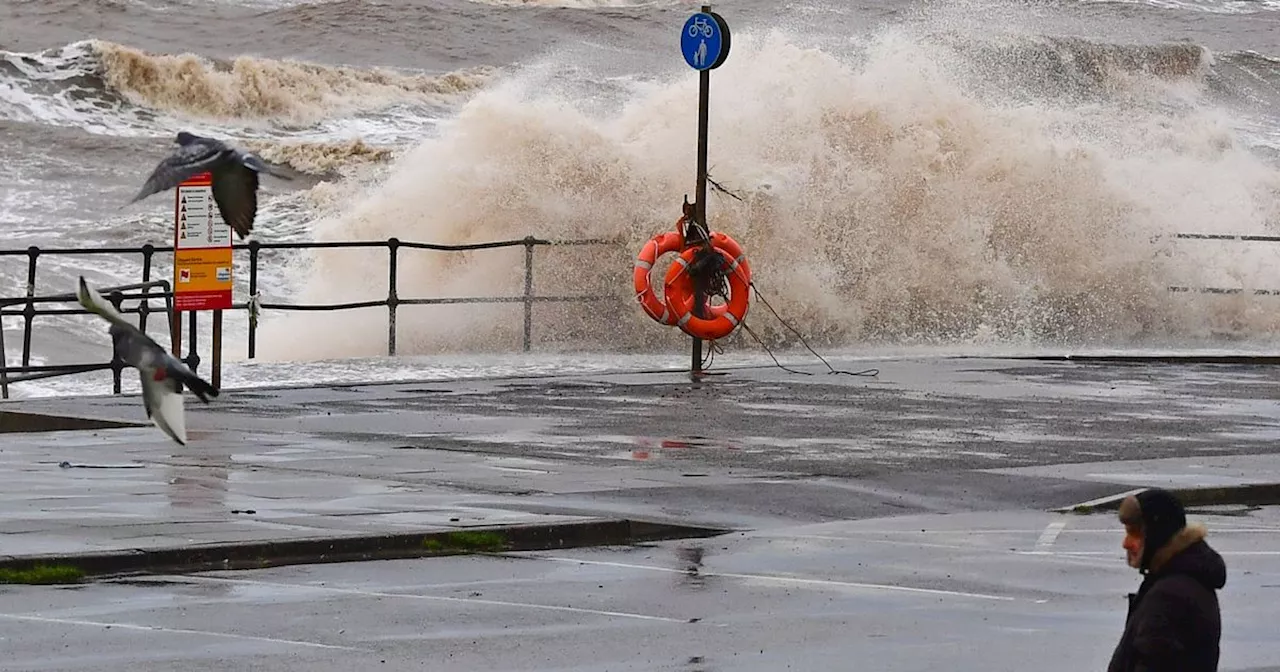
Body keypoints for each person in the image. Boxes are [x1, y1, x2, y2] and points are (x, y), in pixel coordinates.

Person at [1107, 487, 1228, 672]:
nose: (1126, 543)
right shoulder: (1179, 580)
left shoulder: (1170, 596)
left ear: (1156, 534)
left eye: (1135, 533)